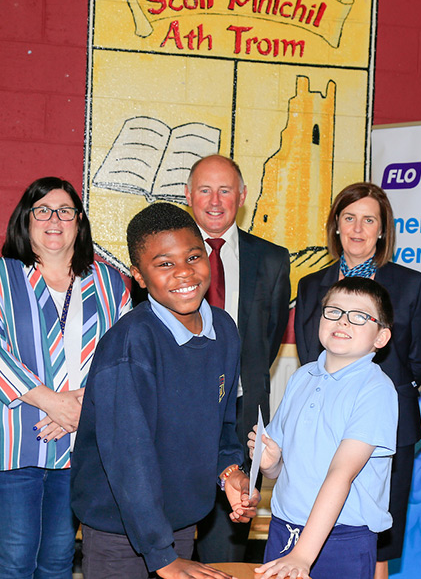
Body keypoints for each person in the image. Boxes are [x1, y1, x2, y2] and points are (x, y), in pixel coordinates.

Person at [71, 202, 258, 579]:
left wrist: (230, 472)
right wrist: (162, 556)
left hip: (180, 523)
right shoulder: (130, 346)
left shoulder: (223, 331)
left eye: (192, 256)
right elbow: (128, 458)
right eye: (165, 264)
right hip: (121, 531)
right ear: (139, 276)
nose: (184, 272)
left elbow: (221, 425)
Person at [0, 177, 130, 578]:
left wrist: (80, 403)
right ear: (26, 220)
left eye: (65, 211)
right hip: (15, 438)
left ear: (79, 222)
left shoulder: (109, 282)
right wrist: (51, 401)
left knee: (58, 559)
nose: (53, 219)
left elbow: (126, 357)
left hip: (79, 441)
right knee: (15, 559)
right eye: (42, 210)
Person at [294, 182, 421, 577]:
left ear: (382, 230)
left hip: (388, 432)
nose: (358, 228)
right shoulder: (310, 287)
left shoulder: (412, 285)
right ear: (336, 226)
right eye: (349, 218)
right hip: (324, 429)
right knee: (320, 530)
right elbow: (311, 354)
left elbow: (420, 362)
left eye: (369, 220)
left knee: (377, 542)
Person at [251, 277, 398, 579]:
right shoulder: (302, 377)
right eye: (334, 311)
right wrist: (269, 463)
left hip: (342, 538)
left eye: (359, 316)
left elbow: (341, 473)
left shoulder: (376, 388)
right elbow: (279, 469)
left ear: (381, 337)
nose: (343, 321)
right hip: (283, 529)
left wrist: (303, 555)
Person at [184, 154, 291, 562]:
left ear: (242, 196)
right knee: (170, 538)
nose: (215, 200)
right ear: (189, 195)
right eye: (205, 190)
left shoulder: (272, 259)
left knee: (228, 543)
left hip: (245, 412)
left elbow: (269, 337)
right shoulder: (165, 254)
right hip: (176, 413)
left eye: (225, 190)